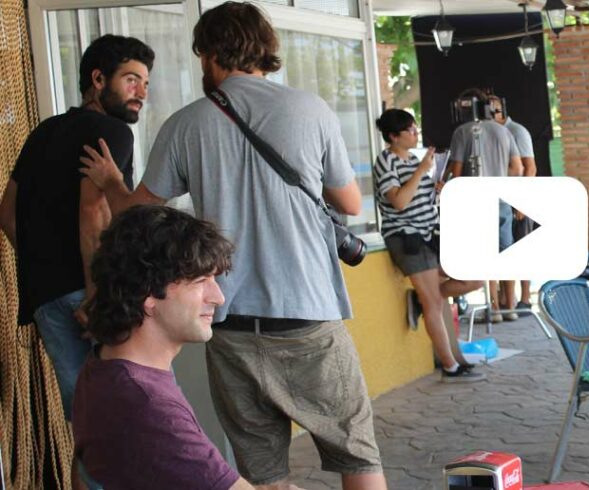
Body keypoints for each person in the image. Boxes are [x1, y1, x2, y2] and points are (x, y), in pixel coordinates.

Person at [77, 3, 385, 488]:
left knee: (262, 472)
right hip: (308, 317)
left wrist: (112, 182)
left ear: (211, 55)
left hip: (229, 321)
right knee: (356, 456)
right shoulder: (311, 109)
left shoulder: (184, 124)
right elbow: (347, 201)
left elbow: (138, 213)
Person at [0, 34, 152, 420]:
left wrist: (44, 260)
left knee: (86, 421)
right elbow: (93, 211)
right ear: (98, 80)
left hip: (46, 295)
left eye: (146, 83)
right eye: (131, 80)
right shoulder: (114, 132)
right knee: (121, 418)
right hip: (90, 294)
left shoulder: (43, 131)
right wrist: (94, 291)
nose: (141, 93)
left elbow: (7, 213)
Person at [73, 205, 254, 490]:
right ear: (149, 293)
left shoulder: (101, 366)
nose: (218, 297)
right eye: (200, 281)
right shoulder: (149, 406)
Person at [373, 108, 485, 382]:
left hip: (432, 231)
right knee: (434, 300)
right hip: (406, 236)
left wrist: (435, 187)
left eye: (415, 128)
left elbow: (418, 195)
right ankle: (450, 366)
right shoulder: (385, 161)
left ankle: (422, 299)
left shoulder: (414, 159)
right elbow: (398, 201)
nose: (415, 133)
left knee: (475, 279)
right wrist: (421, 171)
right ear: (393, 136)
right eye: (410, 130)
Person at [447, 88, 524, 322]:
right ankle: (509, 306)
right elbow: (518, 168)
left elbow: (457, 172)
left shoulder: (463, 132)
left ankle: (492, 306)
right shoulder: (504, 132)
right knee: (505, 250)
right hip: (500, 197)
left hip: (475, 199)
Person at [488, 94, 538, 315]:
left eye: (495, 110)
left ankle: (525, 299)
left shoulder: (517, 131)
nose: (492, 115)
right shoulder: (490, 133)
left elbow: (530, 167)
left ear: (503, 110)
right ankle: (506, 299)